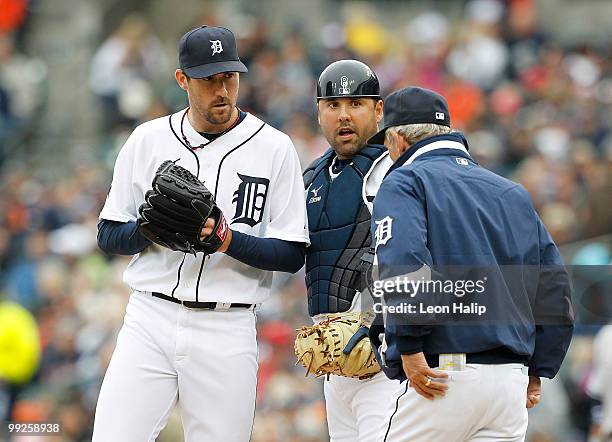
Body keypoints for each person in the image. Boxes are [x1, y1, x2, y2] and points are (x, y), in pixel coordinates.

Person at [93, 25, 309, 441]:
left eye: (229, 77)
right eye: (209, 80)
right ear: (182, 80)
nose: (222, 90)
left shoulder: (274, 147)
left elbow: (291, 253)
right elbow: (107, 234)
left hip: (227, 327)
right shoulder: (147, 139)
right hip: (149, 319)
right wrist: (148, 230)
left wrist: (227, 240)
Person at [368, 86, 574, 441]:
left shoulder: (405, 180)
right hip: (509, 386)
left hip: (442, 376)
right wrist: (538, 368)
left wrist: (409, 347)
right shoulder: (511, 191)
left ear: (398, 140)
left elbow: (404, 264)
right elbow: (555, 288)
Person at [302, 59, 404, 442]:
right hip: (335, 363)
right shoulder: (311, 175)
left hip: (384, 361)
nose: (343, 115)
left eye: (356, 104)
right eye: (333, 105)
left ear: (378, 110)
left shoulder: (395, 169)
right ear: (318, 113)